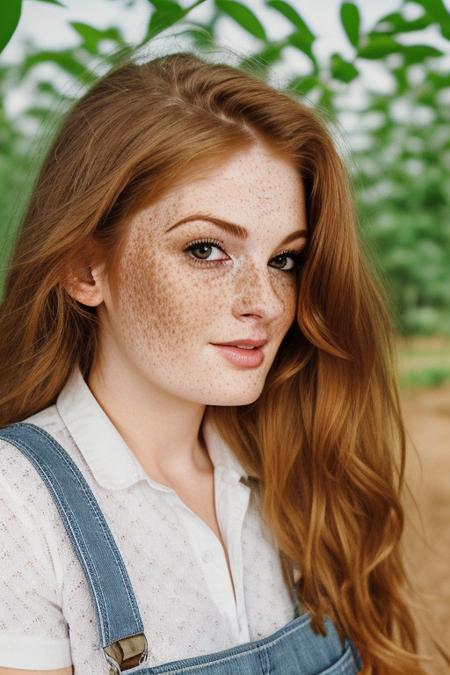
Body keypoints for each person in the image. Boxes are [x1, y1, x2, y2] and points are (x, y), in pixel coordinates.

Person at [0, 48, 429, 674]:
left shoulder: (292, 462)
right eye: (206, 249)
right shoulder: (19, 506)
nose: (264, 303)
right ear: (84, 268)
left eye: (284, 259)